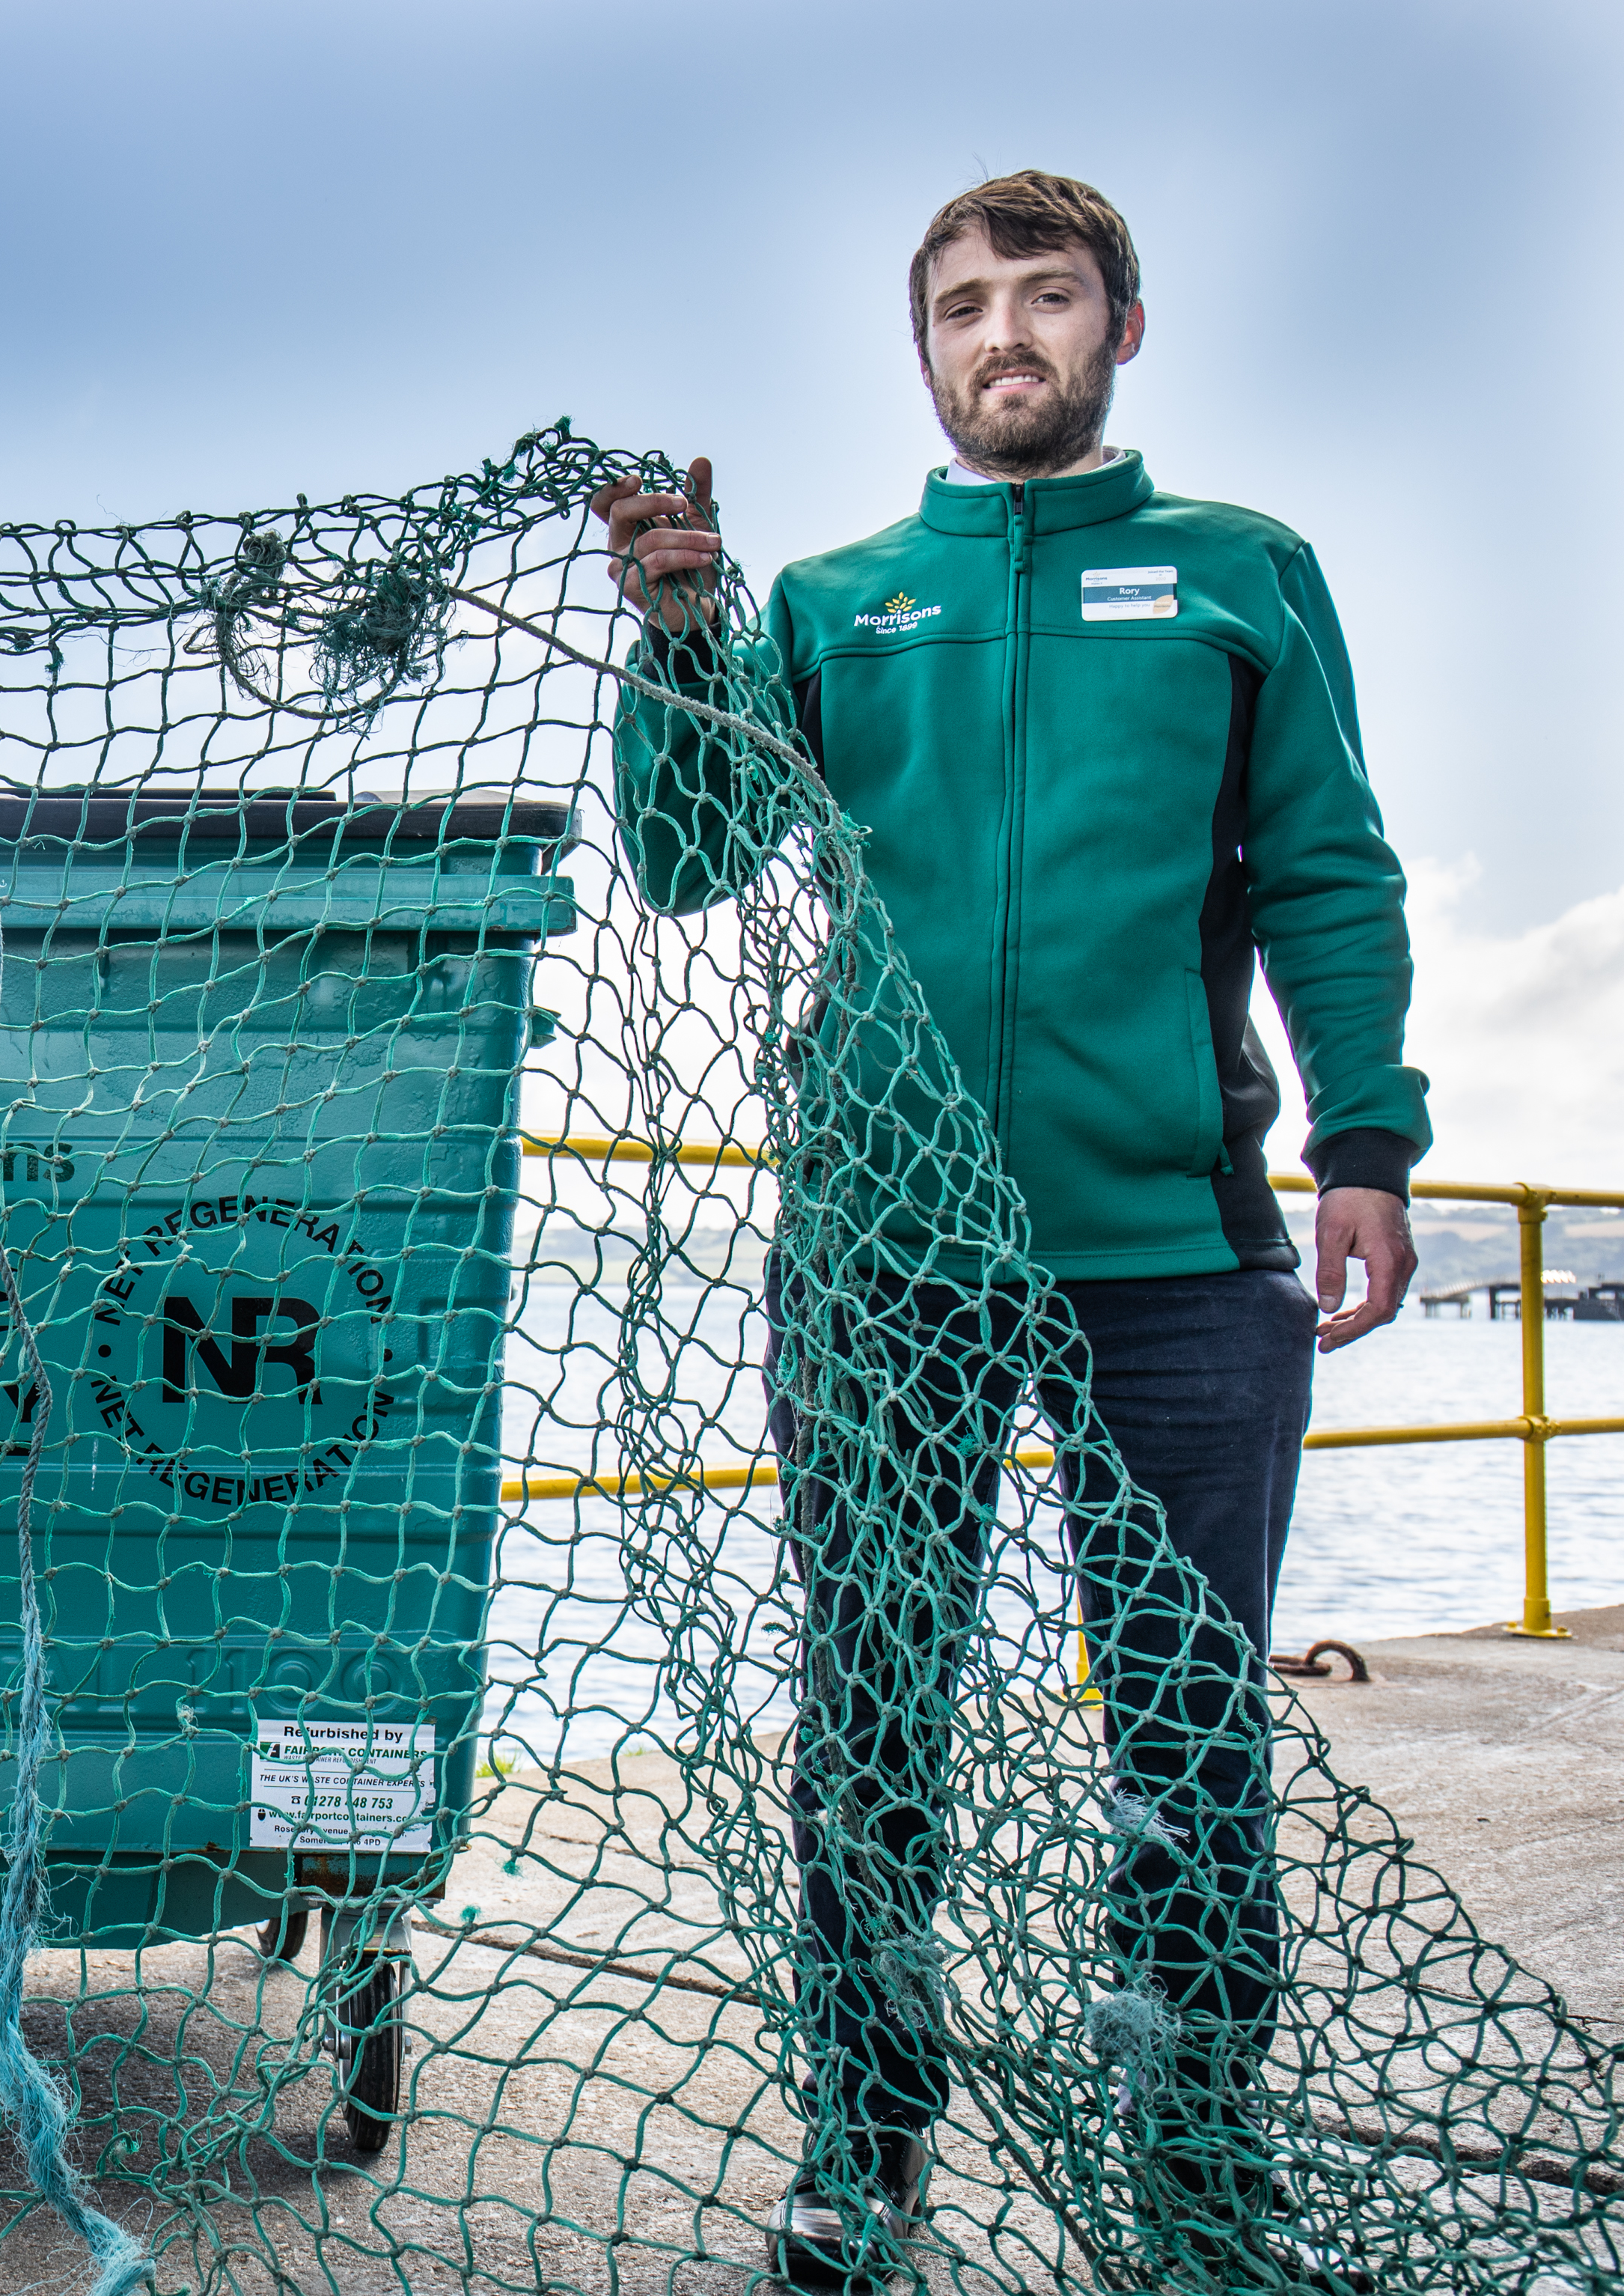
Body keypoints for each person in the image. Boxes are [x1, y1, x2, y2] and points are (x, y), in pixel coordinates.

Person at [602, 174, 1423, 2293]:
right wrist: (679, 636)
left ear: (1122, 328)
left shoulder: (1241, 576)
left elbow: (1330, 870)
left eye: (1044, 296)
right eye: (964, 306)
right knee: (870, 1718)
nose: (1003, 334)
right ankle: (863, 2144)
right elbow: (690, 860)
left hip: (1176, 1247)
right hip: (877, 1257)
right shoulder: (841, 594)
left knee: (1182, 1713)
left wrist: (1370, 1142)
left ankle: (1195, 2121)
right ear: (928, 353)